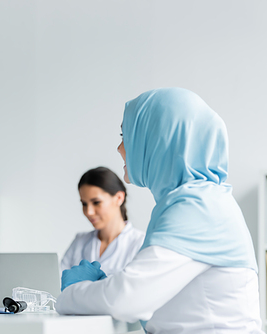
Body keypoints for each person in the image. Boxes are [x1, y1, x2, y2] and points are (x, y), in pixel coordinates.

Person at [55, 88, 263, 333]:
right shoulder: (192, 202)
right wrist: (105, 287)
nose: (120, 148)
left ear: (158, 139)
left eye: (126, 135)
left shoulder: (199, 206)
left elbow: (126, 300)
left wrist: (71, 294)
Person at [61, 167, 144, 276]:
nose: (89, 212)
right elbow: (57, 284)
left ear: (119, 198)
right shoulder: (79, 242)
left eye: (96, 202)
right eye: (84, 204)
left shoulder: (140, 243)